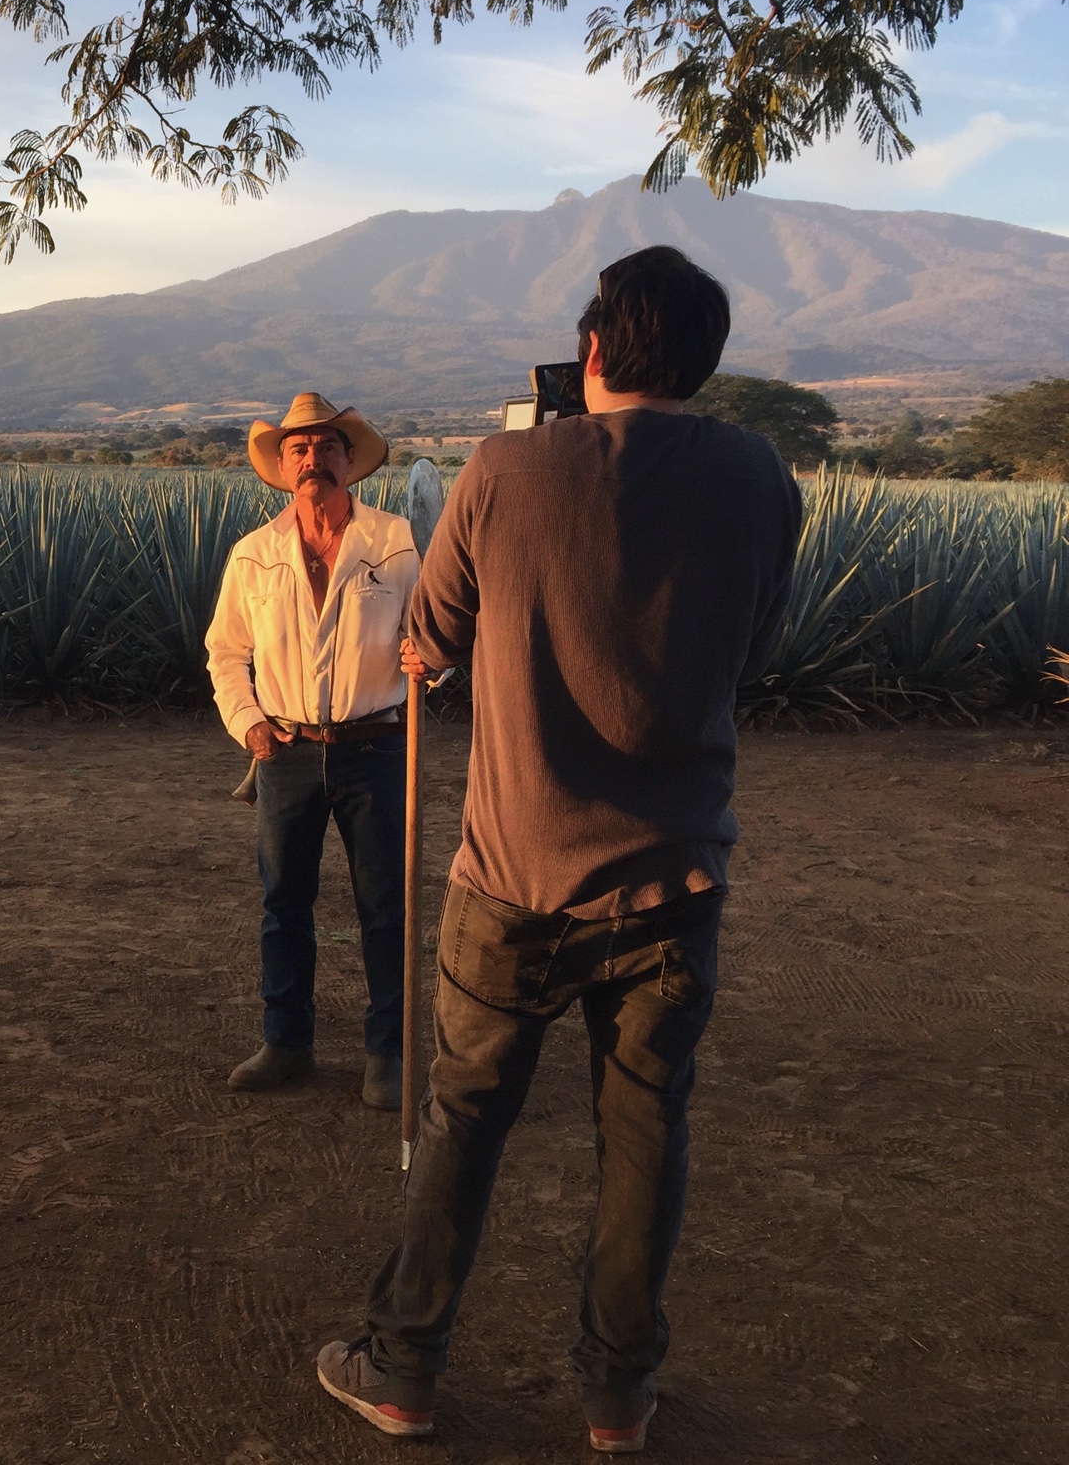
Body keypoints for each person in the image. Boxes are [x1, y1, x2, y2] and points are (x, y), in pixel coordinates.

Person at [314, 247, 803, 1453]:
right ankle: (616, 1395)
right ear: (704, 359)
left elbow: (430, 634)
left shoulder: (503, 469)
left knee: (463, 1119)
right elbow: (749, 651)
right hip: (675, 878)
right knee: (643, 1134)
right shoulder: (758, 474)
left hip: (513, 879)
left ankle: (403, 1368)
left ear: (589, 349)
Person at [205, 392, 420, 1109]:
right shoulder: (254, 554)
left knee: (385, 908)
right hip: (286, 753)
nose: (312, 459)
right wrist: (248, 722)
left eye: (327, 446)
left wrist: (432, 662)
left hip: (376, 747)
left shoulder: (395, 542)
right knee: (283, 903)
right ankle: (285, 1042)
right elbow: (225, 652)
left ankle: (388, 1053)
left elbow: (431, 637)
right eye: (298, 448)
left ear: (349, 460)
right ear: (282, 464)